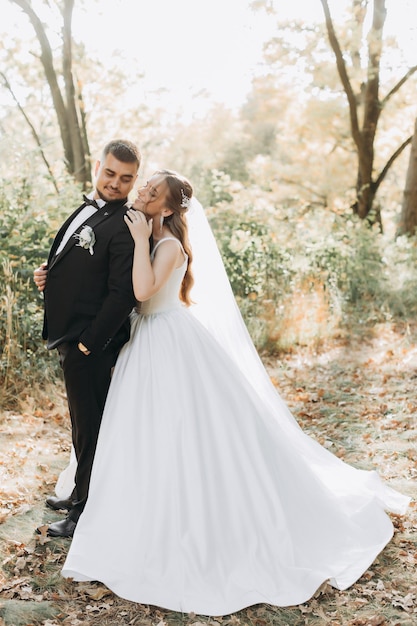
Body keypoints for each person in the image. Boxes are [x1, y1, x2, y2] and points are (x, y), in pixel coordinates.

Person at [61, 170, 410, 616]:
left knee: (186, 429)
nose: (142, 192)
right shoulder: (148, 237)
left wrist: (138, 234)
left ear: (167, 209)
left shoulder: (167, 245)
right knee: (142, 432)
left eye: (152, 191)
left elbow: (144, 291)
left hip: (168, 341)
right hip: (145, 343)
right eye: (144, 186)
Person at [33, 139, 141, 538]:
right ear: (98, 167)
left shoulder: (125, 225)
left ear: (134, 180)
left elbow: (121, 294)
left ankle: (82, 513)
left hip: (91, 343)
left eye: (126, 178)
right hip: (71, 336)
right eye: (110, 173)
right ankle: (79, 489)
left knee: (91, 428)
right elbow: (74, 262)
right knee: (81, 423)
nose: (116, 184)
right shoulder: (88, 209)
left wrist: (88, 344)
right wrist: (48, 275)